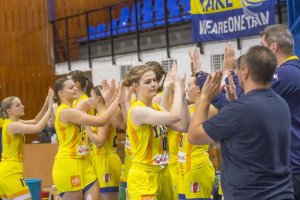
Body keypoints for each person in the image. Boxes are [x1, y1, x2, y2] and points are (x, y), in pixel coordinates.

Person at [188, 46, 294, 199]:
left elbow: (194, 135)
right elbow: (249, 129)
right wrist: (234, 102)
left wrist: (205, 97)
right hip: (282, 193)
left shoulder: (239, 111)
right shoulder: (281, 104)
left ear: (245, 72)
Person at [123, 64, 190, 199]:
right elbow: (175, 116)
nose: (153, 84)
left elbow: (183, 126)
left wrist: (182, 96)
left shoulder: (156, 108)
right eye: (148, 82)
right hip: (144, 176)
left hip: (163, 173)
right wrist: (176, 85)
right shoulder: (137, 110)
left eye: (154, 80)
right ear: (136, 86)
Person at [52, 77, 121, 200]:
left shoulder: (75, 109)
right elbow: (101, 120)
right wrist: (117, 98)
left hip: (87, 164)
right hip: (69, 164)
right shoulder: (65, 112)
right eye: (70, 87)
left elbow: (95, 104)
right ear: (61, 93)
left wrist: (108, 97)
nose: (75, 88)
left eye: (75, 86)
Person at [260, 24, 300, 199]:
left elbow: (249, 96)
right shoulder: (294, 70)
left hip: (293, 165)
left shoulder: (285, 74)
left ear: (273, 47)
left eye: (262, 47)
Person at [0, 92, 52, 200]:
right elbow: (38, 128)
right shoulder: (12, 125)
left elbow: (35, 121)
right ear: (9, 111)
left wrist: (46, 103)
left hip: (6, 172)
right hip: (11, 172)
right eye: (18, 105)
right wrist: (51, 109)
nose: (22, 106)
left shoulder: (14, 122)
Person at [178, 74, 216, 200]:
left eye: (189, 86)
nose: (187, 89)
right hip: (184, 167)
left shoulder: (209, 109)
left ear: (199, 89)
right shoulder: (190, 107)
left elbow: (189, 124)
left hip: (198, 166)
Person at [85, 85, 123, 200]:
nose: (89, 99)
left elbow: (100, 142)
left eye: (91, 96)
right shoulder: (97, 116)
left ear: (99, 99)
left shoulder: (105, 116)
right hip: (97, 159)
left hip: (106, 159)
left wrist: (86, 125)